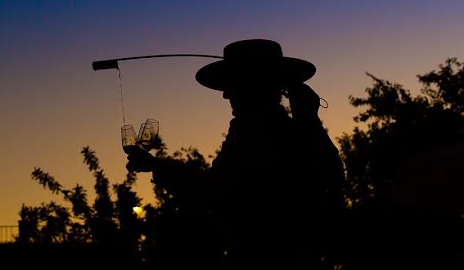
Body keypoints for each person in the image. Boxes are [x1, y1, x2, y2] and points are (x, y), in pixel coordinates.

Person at [127, 39, 343, 270]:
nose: (226, 95)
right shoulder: (291, 128)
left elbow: (213, 189)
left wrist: (156, 167)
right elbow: (333, 177)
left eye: (234, 85)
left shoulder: (256, 131)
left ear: (254, 86)